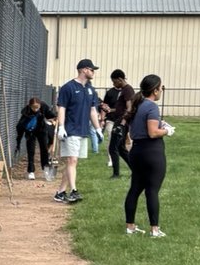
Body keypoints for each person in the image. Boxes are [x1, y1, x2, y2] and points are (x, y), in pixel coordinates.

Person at [123, 74, 173, 238]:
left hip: (136, 152)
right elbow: (152, 133)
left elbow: (137, 129)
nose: (161, 91)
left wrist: (160, 124)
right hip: (152, 152)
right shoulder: (151, 107)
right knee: (152, 191)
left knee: (135, 189)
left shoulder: (138, 104)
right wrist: (167, 130)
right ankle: (155, 229)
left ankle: (130, 226)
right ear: (155, 90)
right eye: (160, 88)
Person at [53, 58, 100, 204]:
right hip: (71, 129)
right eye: (92, 70)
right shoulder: (68, 87)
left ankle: (60, 192)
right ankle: (73, 191)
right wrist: (61, 126)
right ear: (84, 70)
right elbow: (62, 107)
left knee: (73, 162)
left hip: (83, 130)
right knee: (71, 160)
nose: (93, 72)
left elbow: (93, 110)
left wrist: (98, 128)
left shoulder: (91, 89)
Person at [101, 69, 134, 178]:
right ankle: (135, 170)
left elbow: (129, 108)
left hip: (121, 122)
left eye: (114, 81)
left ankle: (116, 174)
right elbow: (121, 108)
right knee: (120, 148)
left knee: (113, 148)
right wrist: (110, 110)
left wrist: (122, 123)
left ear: (120, 79)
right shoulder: (124, 90)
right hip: (119, 120)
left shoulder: (128, 90)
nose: (113, 84)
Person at [15, 97, 56, 180]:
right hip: (30, 132)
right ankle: (31, 171)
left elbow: (50, 115)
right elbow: (21, 126)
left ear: (40, 105)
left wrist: (55, 119)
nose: (36, 109)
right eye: (34, 107)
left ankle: (45, 169)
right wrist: (18, 141)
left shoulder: (44, 107)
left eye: (37, 107)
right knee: (31, 151)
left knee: (44, 149)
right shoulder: (26, 112)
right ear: (30, 106)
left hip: (42, 130)